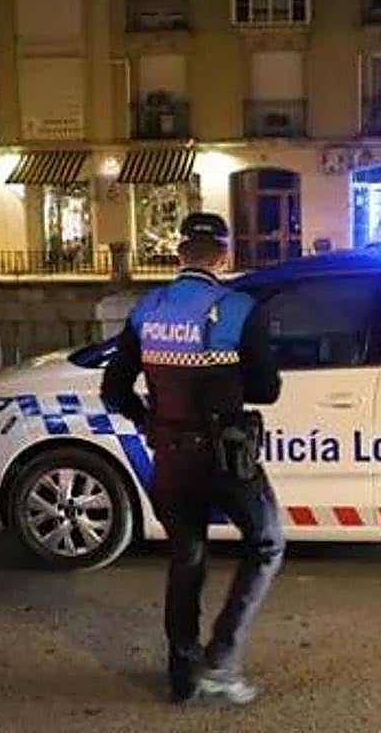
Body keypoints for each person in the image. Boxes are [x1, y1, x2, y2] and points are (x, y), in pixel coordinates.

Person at [102, 212, 284, 706]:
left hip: (168, 457)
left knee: (186, 558)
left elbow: (113, 389)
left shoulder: (147, 308)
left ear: (180, 254)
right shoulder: (241, 308)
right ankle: (222, 661)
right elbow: (267, 390)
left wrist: (151, 422)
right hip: (225, 456)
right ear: (223, 256)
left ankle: (182, 676)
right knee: (267, 542)